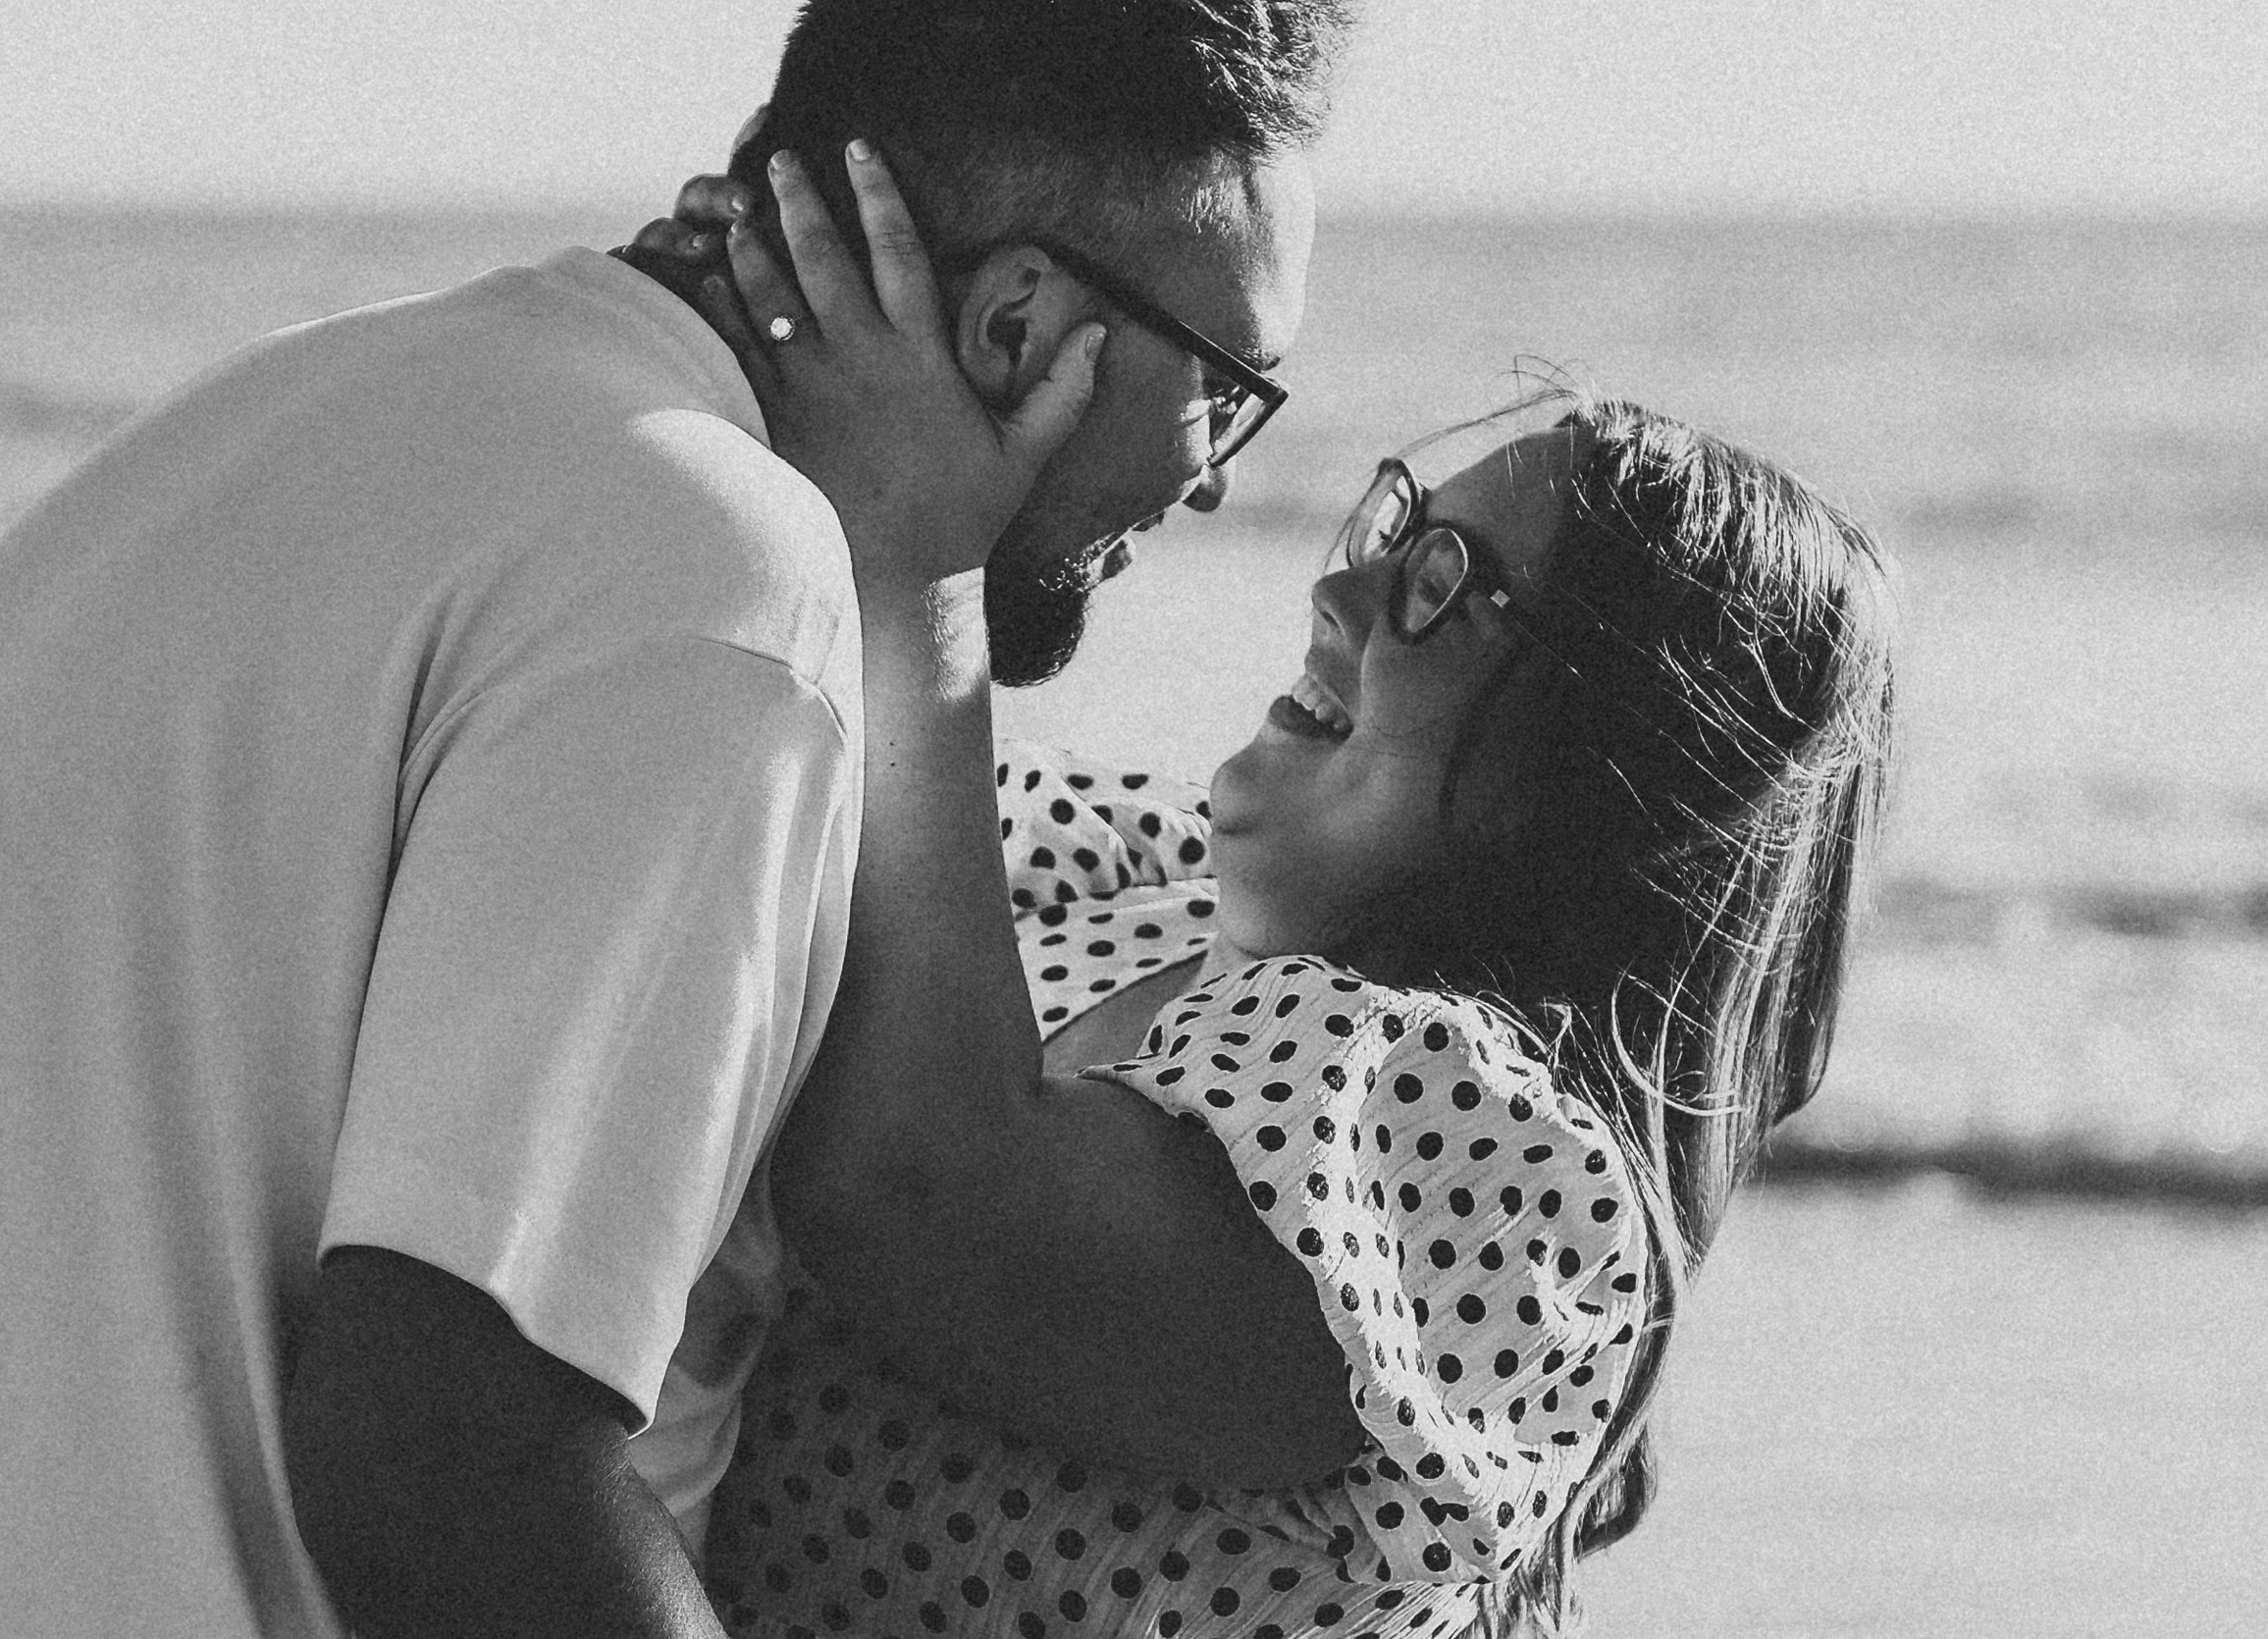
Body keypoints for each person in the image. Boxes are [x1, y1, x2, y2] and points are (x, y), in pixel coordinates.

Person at [0, 0, 1350, 1638]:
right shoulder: (708, 584)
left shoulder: (263, 428)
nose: (1221, 474)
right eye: (1226, 391)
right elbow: (445, 1439)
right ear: (1018, 327)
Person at [672, 149, 1896, 1637]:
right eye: (1388, 533)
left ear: (1609, 768)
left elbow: (924, 1202)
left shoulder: (1496, 1164)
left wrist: (922, 559)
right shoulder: (1136, 874)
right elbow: (742, 838)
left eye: (1443, 580)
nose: (1339, 596)